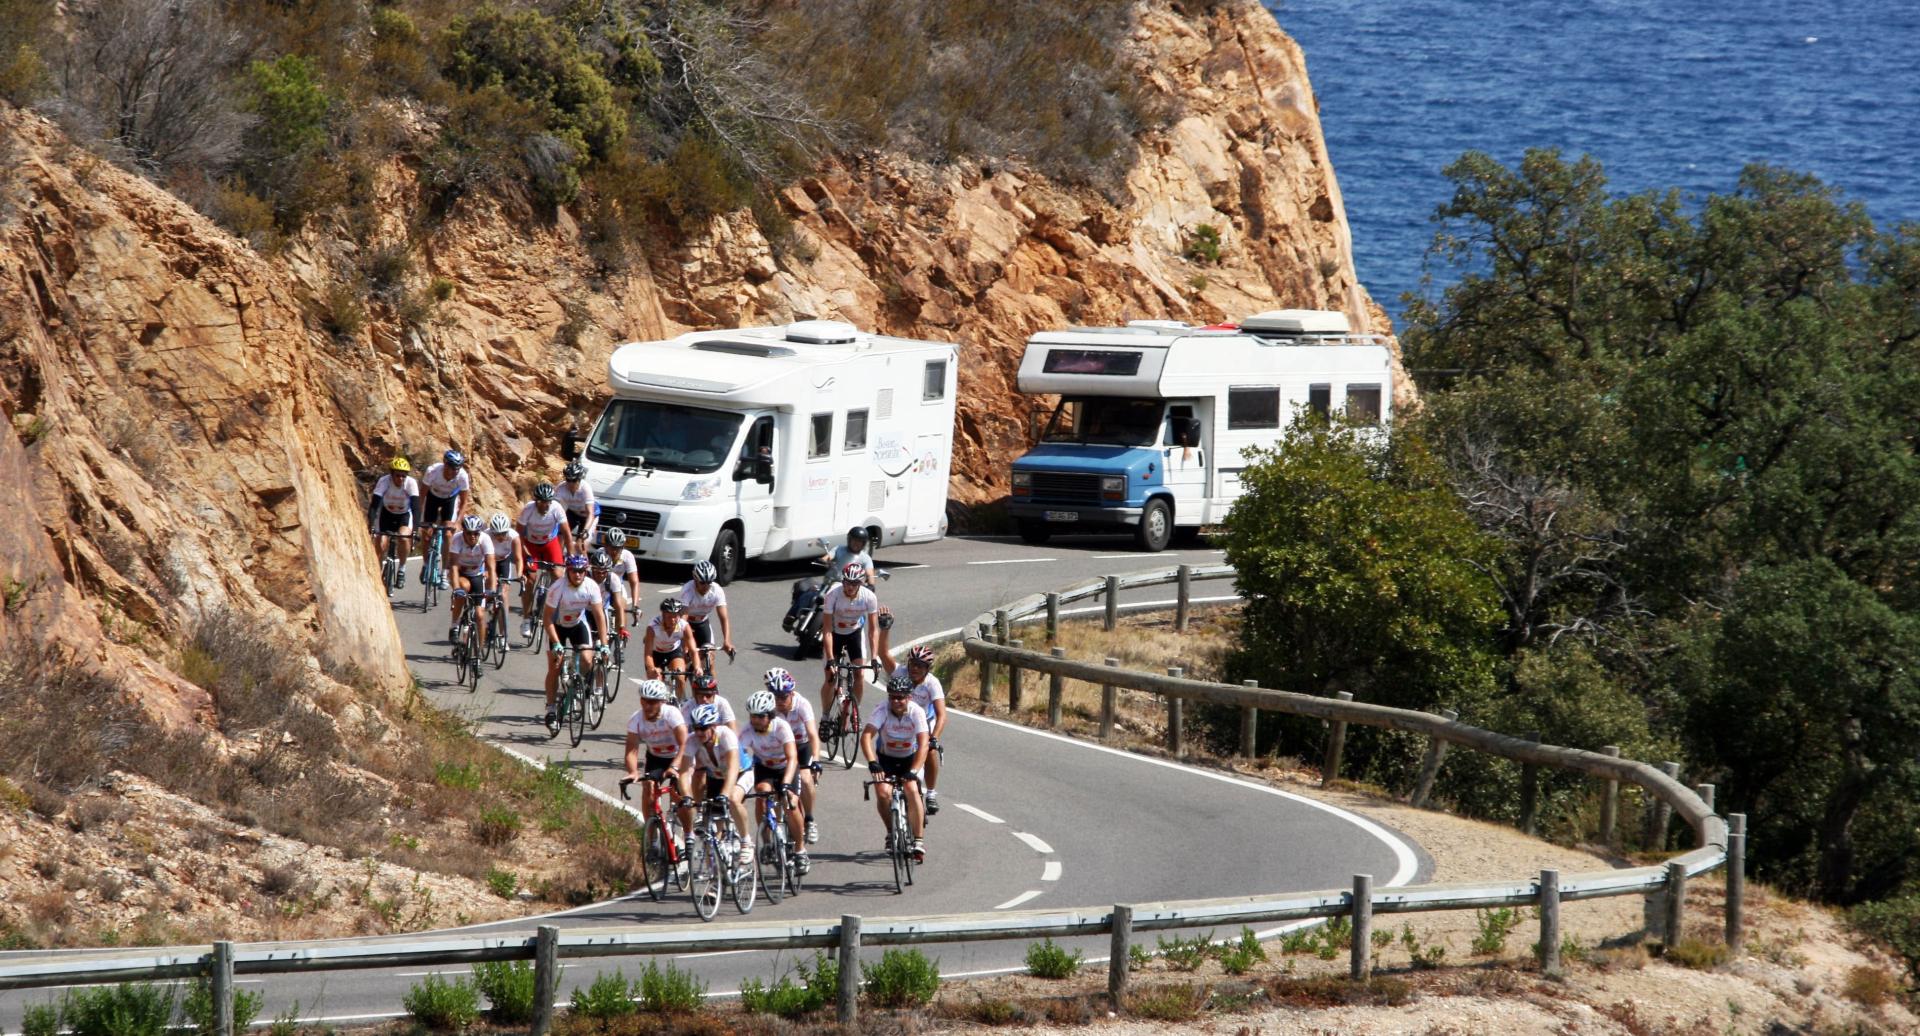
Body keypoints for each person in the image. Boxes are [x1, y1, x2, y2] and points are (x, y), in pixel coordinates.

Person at [674, 701, 752, 866]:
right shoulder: (692, 740)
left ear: (714, 726)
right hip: (715, 777)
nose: (699, 732)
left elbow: (732, 769)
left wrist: (724, 794)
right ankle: (715, 877)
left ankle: (746, 841)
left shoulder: (726, 735)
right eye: (696, 728)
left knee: (732, 799)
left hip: (740, 773)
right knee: (712, 832)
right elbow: (683, 772)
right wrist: (688, 798)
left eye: (703, 728)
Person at [861, 674, 929, 860]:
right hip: (886, 759)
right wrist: (872, 762)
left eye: (900, 697)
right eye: (892, 696)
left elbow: (924, 743)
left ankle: (918, 841)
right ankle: (891, 832)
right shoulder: (882, 709)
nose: (896, 701)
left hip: (910, 759)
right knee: (882, 793)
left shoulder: (916, 712)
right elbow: (866, 736)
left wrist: (914, 771)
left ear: (909, 697)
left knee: (911, 789)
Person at [740, 690, 808, 875]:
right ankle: (767, 840)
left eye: (760, 717)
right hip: (765, 768)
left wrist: (786, 783)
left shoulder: (781, 727)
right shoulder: (747, 731)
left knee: (790, 802)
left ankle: (800, 850)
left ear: (769, 716)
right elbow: (739, 754)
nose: (755, 720)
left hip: (786, 767)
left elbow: (792, 757)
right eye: (752, 716)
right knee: (762, 794)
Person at [541, 554, 606, 734]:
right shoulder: (557, 588)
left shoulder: (591, 586)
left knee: (587, 658)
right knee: (555, 665)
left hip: (578, 624)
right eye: (574, 571)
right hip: (557, 627)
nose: (578, 575)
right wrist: (556, 643)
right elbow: (547, 618)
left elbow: (599, 616)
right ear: (568, 571)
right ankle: (551, 708)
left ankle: (577, 683)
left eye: (581, 571)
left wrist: (605, 643)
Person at [879, 643, 946, 815]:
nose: (914, 669)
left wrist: (935, 737)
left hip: (923, 721)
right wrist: (884, 629)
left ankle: (930, 792)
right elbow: (883, 653)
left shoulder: (932, 683)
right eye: (912, 664)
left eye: (920, 666)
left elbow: (941, 715)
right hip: (900, 718)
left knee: (929, 750)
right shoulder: (900, 672)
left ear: (928, 669)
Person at [622, 679, 688, 838]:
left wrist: (675, 767)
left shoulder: (671, 714)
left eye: (652, 702)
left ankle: (689, 835)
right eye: (644, 700)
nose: (647, 706)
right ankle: (651, 835)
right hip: (656, 758)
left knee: (679, 795)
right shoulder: (636, 720)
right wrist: (632, 772)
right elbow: (631, 751)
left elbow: (685, 743)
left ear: (662, 702)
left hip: (679, 756)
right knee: (648, 788)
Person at [765, 667, 822, 846]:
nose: (779, 701)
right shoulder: (770, 707)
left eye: (783, 697)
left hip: (801, 745)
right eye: (776, 696)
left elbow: (813, 734)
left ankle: (810, 820)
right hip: (781, 748)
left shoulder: (802, 704)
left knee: (805, 779)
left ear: (792, 694)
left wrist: (817, 760)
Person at [818, 561, 880, 717]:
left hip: (854, 633)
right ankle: (826, 715)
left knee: (859, 675)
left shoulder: (869, 597)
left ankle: (854, 712)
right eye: (847, 582)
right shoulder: (832, 595)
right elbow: (826, 630)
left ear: (860, 583)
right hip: (835, 633)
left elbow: (873, 631)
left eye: (854, 583)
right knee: (830, 678)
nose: (850, 586)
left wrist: (874, 658)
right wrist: (831, 659)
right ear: (843, 580)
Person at [516, 483, 572, 640]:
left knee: (558, 574)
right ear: (536, 501)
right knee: (530, 580)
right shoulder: (528, 509)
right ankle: (526, 618)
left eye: (548, 501)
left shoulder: (556, 508)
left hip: (549, 543)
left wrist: (571, 557)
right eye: (542, 502)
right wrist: (526, 555)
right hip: (530, 544)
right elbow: (518, 536)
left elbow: (567, 534)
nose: (545, 505)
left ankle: (552, 607)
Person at [420, 449, 471, 590]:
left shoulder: (462, 476)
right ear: (444, 464)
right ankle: (425, 565)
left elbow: (464, 502)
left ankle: (444, 572)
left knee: (449, 534)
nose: (453, 471)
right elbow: (422, 495)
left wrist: (458, 522)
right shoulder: (433, 471)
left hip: (450, 500)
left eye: (457, 468)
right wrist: (420, 518)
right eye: (451, 467)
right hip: (432, 498)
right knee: (426, 533)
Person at [367, 457, 420, 589]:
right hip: (386, 515)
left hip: (404, 516)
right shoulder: (384, 482)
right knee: (380, 543)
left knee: (403, 537)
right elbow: (374, 505)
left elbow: (416, 507)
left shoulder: (411, 483)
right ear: (391, 474)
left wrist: (415, 531)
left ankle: (402, 568)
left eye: (404, 476)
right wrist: (371, 525)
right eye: (398, 475)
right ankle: (377, 575)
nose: (401, 479)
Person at [444, 515, 497, 644]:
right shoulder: (457, 539)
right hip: (460, 573)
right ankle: (455, 625)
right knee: (464, 588)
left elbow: (491, 566)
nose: (472, 536)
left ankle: (479, 652)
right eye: (469, 533)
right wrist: (456, 588)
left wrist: (492, 590)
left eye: (476, 533)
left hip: (477, 574)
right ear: (464, 532)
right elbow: (454, 566)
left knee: (479, 615)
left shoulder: (485, 540)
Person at [588, 549, 630, 696]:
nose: (600, 575)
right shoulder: (585, 576)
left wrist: (622, 627)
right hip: (585, 612)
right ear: (591, 569)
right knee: (585, 647)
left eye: (604, 571)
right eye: (597, 571)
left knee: (602, 650)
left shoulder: (613, 579)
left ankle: (599, 685)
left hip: (601, 612)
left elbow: (618, 605)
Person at [678, 560, 735, 666]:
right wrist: (684, 643)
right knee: (684, 661)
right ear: (695, 580)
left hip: (703, 624)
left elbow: (724, 618)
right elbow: (683, 620)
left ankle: (709, 680)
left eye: (709, 582)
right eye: (702, 583)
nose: (706, 586)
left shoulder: (717, 590)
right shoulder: (687, 590)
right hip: (687, 625)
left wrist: (727, 641)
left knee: (710, 660)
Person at [644, 596, 703, 692]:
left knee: (680, 678)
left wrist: (697, 667)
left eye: (675, 616)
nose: (672, 620)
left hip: (673, 651)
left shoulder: (684, 626)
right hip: (655, 654)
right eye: (669, 616)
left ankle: (678, 704)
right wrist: (652, 668)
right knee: (656, 685)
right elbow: (648, 654)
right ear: (663, 615)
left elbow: (693, 651)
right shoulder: (652, 627)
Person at [488, 513, 522, 640]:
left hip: (503, 562)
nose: (500, 537)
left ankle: (503, 635)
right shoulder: (486, 536)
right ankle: (487, 605)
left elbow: (518, 559)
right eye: (497, 534)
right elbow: (481, 557)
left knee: (503, 594)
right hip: (488, 561)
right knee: (487, 587)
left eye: (503, 534)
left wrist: (519, 575)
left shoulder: (514, 537)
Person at [602, 530, 643, 623]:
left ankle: (620, 635)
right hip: (601, 586)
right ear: (605, 546)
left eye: (618, 548)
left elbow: (634, 582)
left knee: (621, 607)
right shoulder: (600, 554)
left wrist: (635, 606)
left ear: (622, 547)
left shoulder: (627, 556)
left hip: (618, 586)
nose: (614, 551)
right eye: (612, 547)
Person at [556, 462, 598, 552]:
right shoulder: (561, 488)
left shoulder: (585, 488)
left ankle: (585, 565)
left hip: (588, 515)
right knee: (560, 538)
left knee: (580, 545)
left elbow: (590, 513)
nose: (570, 484)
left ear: (579, 479)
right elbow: (555, 509)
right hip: (573, 512)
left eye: (574, 480)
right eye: (568, 480)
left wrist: (585, 530)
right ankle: (559, 563)